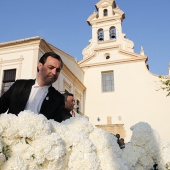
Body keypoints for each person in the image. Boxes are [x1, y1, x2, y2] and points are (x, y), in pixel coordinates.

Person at [0, 52, 71, 122]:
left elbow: (61, 123)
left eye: (58, 70)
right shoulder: (19, 86)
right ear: (40, 66)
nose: (54, 72)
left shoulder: (58, 99)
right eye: (51, 67)